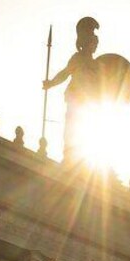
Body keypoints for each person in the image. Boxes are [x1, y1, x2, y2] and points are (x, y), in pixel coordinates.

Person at [43, 17, 102, 162]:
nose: (95, 46)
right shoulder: (78, 58)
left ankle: (81, 158)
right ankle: (69, 156)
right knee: (72, 128)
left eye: (96, 44)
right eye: (93, 43)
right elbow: (65, 73)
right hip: (76, 98)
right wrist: (51, 83)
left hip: (90, 103)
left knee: (85, 131)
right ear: (87, 42)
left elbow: (102, 86)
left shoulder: (97, 65)